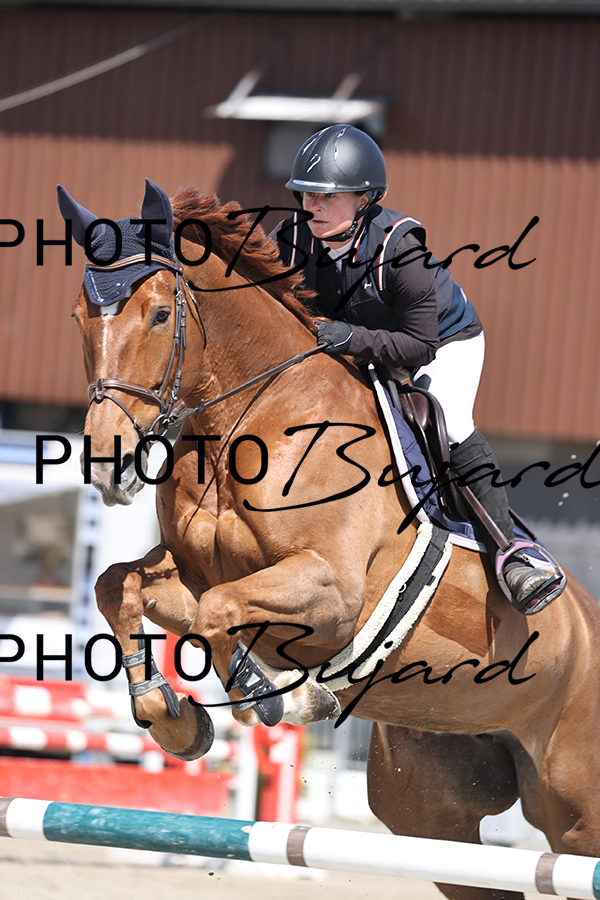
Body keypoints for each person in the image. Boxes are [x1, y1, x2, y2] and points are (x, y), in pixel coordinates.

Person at [271, 123, 561, 615]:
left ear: (365, 198)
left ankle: (511, 552)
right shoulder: (292, 237)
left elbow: (419, 345)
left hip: (443, 342)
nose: (311, 206)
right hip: (353, 340)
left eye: (327, 196)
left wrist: (350, 338)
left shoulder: (401, 251)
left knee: (448, 420)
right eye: (306, 195)